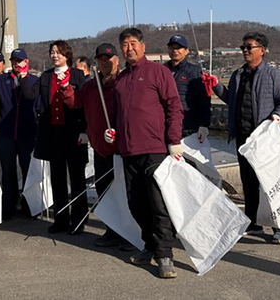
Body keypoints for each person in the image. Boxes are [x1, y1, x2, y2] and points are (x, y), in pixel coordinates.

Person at [107, 28, 183, 278]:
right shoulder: (120, 79)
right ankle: (149, 245)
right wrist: (113, 134)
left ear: (143, 46)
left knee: (158, 204)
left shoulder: (158, 72)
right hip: (129, 151)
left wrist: (173, 140)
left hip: (155, 149)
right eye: (125, 45)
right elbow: (118, 114)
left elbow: (174, 106)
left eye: (133, 44)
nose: (129, 48)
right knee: (136, 204)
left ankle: (164, 255)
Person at [211, 31, 280, 244]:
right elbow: (232, 100)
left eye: (249, 47)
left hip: (265, 139)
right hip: (244, 137)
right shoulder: (238, 74)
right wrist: (216, 86)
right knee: (249, 182)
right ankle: (254, 222)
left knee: (272, 183)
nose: (245, 50)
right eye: (243, 47)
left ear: (262, 50)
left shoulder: (273, 75)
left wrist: (277, 117)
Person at [62, 43, 125, 246]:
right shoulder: (91, 86)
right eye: (101, 60)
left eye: (109, 59)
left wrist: (120, 132)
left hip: (122, 150)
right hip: (100, 148)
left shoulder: (124, 82)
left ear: (117, 60)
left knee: (125, 193)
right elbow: (75, 102)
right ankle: (111, 230)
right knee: (104, 191)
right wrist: (66, 89)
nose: (105, 63)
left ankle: (129, 234)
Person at [22, 40, 88, 234]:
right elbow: (29, 96)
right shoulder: (46, 76)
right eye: (52, 52)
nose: (55, 55)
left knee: (77, 178)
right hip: (53, 133)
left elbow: (84, 104)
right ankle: (61, 219)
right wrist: (24, 76)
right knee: (57, 178)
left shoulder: (78, 75)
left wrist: (84, 129)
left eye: (58, 52)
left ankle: (79, 220)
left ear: (67, 54)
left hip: (74, 132)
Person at [0, 48, 38, 220]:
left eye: (20, 60)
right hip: (6, 133)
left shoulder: (34, 80)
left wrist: (24, 77)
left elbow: (34, 101)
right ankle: (9, 206)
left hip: (27, 133)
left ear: (26, 62)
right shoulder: (2, 79)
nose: (16, 63)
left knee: (28, 171)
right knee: (8, 172)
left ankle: (29, 206)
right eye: (14, 60)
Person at [164, 35, 211, 141]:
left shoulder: (194, 71)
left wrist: (204, 124)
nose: (175, 51)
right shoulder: (161, 70)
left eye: (178, 48)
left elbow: (204, 100)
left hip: (188, 127)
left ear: (186, 51)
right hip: (164, 125)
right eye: (172, 48)